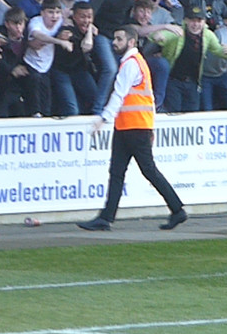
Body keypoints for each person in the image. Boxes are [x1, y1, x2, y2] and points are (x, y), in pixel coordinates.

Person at [78, 25, 188, 232]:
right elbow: (148, 97)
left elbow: (119, 94)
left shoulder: (130, 64)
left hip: (134, 126)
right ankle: (106, 217)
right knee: (123, 172)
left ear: (131, 42)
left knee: (141, 171)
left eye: (119, 39)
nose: (114, 42)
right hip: (132, 125)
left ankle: (177, 209)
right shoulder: (137, 62)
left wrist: (104, 119)